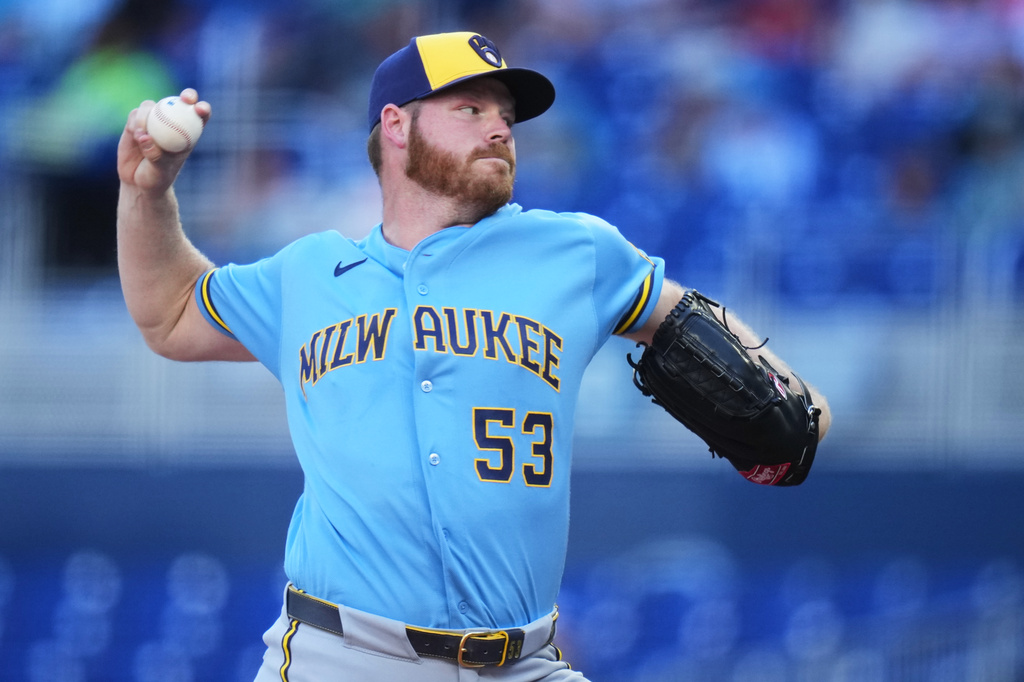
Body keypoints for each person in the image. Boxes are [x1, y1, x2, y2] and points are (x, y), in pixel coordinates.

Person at [117, 31, 831, 682]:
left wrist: (799, 402)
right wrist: (146, 192)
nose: (500, 127)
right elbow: (170, 313)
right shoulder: (308, 274)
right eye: (470, 107)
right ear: (395, 125)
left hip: (523, 664)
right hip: (344, 659)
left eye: (507, 116)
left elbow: (693, 319)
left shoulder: (575, 252)